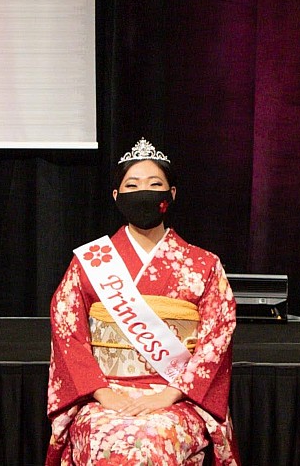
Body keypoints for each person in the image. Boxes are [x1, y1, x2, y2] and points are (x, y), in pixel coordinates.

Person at [46, 138, 238, 465]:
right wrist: (104, 395)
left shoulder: (203, 265)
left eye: (155, 184)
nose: (144, 192)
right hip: (105, 393)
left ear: (171, 194)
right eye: (132, 185)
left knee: (157, 438)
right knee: (103, 434)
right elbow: (68, 334)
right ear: (116, 196)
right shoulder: (90, 262)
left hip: (177, 396)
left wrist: (169, 395)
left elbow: (216, 339)